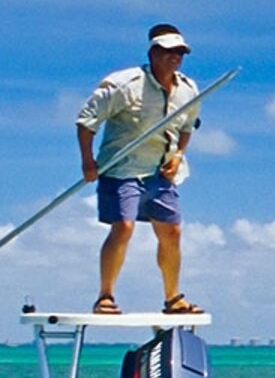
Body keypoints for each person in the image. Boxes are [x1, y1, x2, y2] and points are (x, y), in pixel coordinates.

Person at [77, 24, 202, 315]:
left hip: (161, 172)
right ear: (154, 53)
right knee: (124, 227)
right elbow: (86, 121)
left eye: (180, 53)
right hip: (121, 168)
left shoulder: (188, 89)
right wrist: (87, 161)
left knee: (171, 231)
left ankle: (173, 299)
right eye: (169, 52)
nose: (175, 58)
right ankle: (105, 296)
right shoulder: (125, 83)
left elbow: (186, 126)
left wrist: (179, 154)